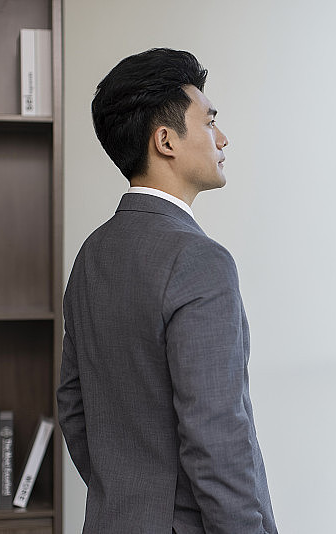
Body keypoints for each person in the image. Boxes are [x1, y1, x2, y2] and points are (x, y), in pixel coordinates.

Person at [57, 48, 278, 534]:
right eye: (209, 122)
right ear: (165, 141)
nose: (222, 139)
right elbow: (216, 437)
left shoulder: (92, 255)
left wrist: (128, 495)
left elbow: (73, 405)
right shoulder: (200, 262)